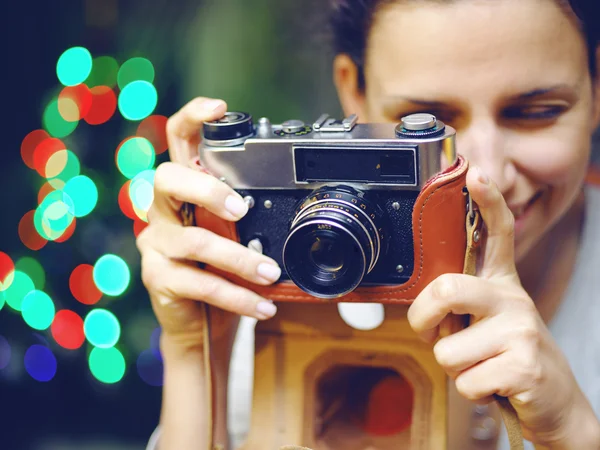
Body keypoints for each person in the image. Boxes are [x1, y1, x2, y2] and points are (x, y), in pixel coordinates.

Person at [137, 0, 600, 448]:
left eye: (537, 113)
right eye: (427, 126)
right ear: (352, 93)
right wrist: (197, 354)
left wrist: (575, 434)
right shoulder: (278, 287)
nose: (488, 173)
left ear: (596, 89)